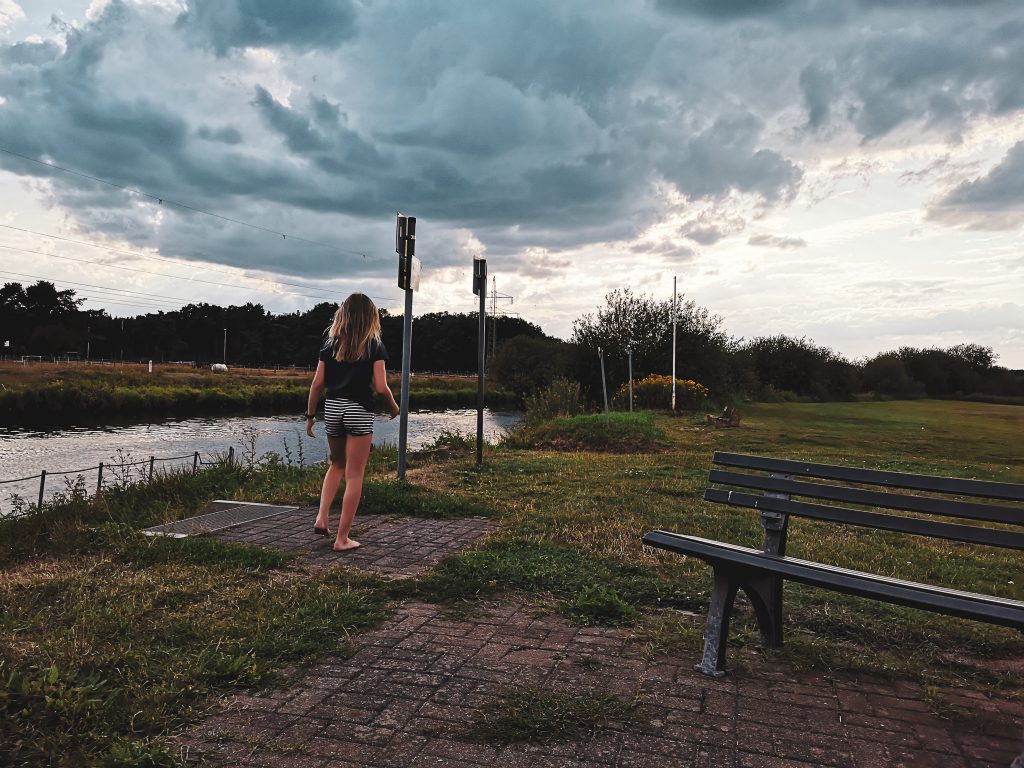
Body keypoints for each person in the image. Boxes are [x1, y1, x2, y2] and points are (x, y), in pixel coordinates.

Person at [305, 293, 400, 552]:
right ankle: (342, 539)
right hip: (358, 410)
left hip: (333, 408)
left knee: (336, 465)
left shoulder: (330, 345)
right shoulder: (374, 345)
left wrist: (311, 417)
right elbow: (381, 387)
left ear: (343, 314)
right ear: (371, 317)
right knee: (355, 475)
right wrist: (393, 406)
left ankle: (322, 517)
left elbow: (317, 384)